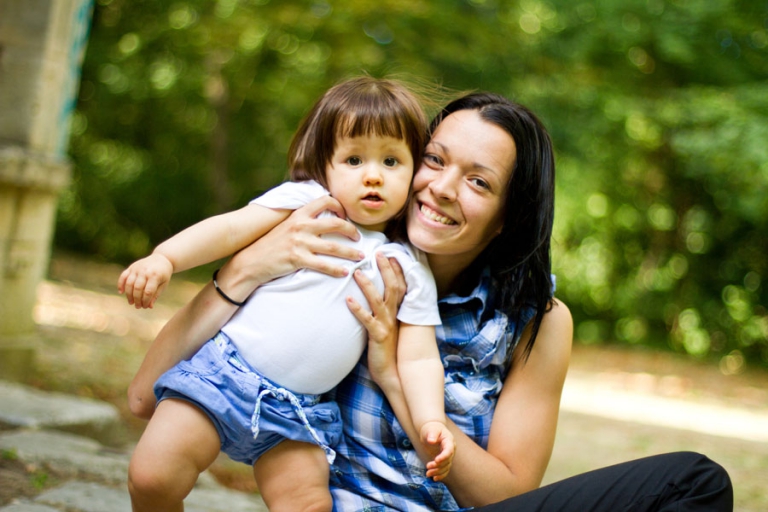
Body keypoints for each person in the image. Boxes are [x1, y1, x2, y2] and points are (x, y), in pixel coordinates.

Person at [128, 91, 733, 511]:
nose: (441, 187)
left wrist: (394, 377)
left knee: (694, 481)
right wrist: (244, 270)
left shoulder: (535, 323)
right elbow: (142, 396)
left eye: (478, 181)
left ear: (508, 216)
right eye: (434, 160)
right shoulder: (330, 244)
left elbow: (505, 498)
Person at [121, 77, 455, 512]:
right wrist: (165, 258)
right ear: (325, 166)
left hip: (300, 413)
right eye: (354, 159)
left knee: (309, 505)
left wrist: (431, 419)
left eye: (391, 161)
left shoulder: (407, 266)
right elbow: (230, 229)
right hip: (225, 375)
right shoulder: (308, 203)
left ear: (414, 174)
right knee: (152, 477)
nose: (373, 175)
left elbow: (419, 357)